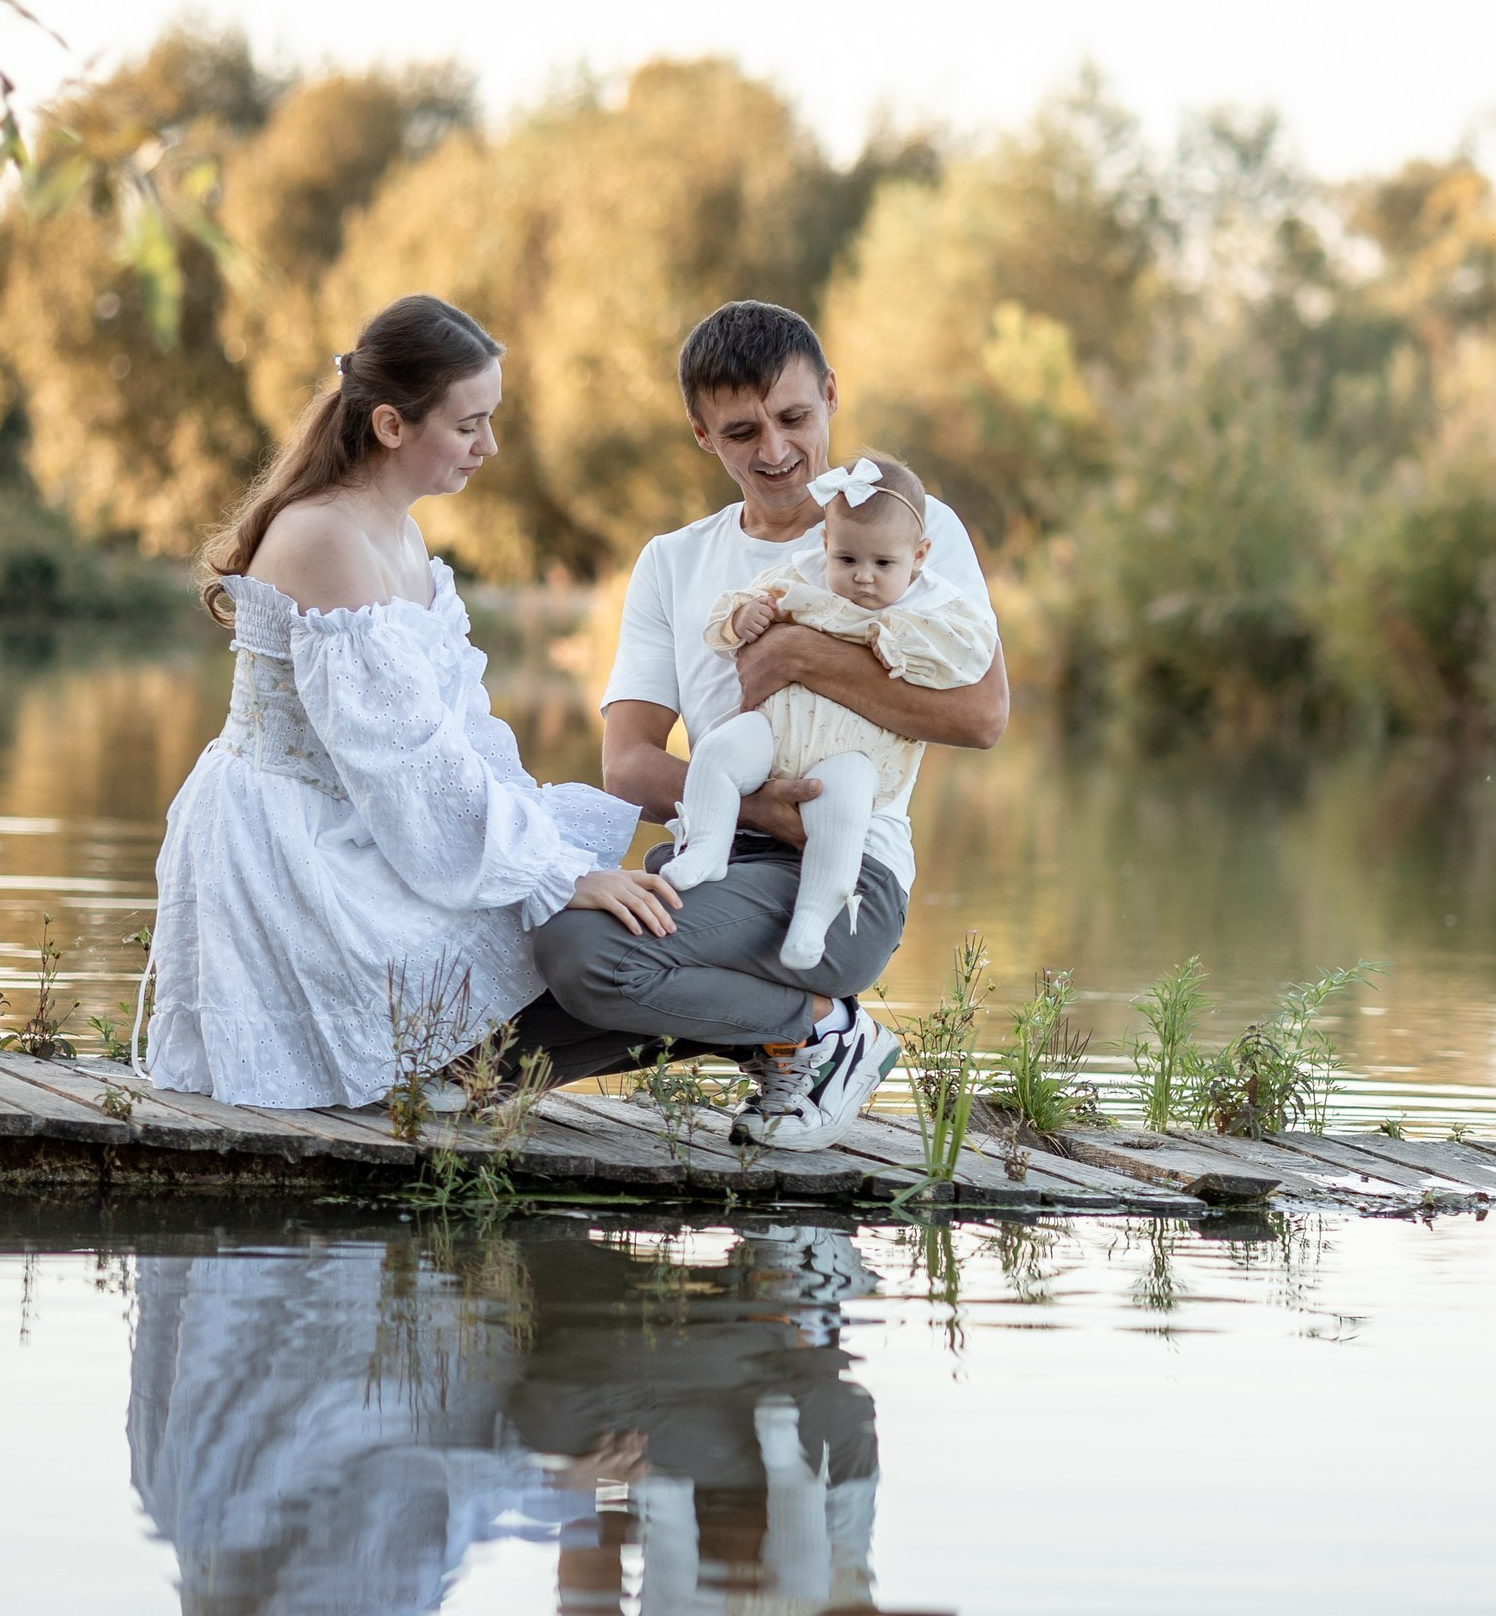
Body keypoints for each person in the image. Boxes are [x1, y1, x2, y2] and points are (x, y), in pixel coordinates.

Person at [142, 294, 674, 1111]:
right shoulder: (325, 539)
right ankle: (448, 1070)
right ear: (392, 426)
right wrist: (547, 875)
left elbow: (456, 735)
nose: (488, 446)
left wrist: (547, 847)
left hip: (371, 815)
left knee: (566, 894)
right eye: (469, 426)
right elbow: (405, 767)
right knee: (538, 918)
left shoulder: (400, 532)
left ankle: (766, 1022)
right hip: (297, 841)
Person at [513, 301, 1009, 1151]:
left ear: (830, 396)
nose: (775, 452)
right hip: (719, 851)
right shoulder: (674, 561)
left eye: (793, 418)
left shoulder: (900, 529)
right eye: (741, 431)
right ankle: (795, 1033)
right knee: (474, 1049)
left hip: (846, 868)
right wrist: (758, 807)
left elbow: (982, 715)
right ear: (702, 434)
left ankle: (824, 1034)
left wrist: (799, 659)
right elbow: (629, 764)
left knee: (585, 950)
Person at [665, 454, 996, 972]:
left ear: (919, 556)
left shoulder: (933, 606)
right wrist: (741, 616)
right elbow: (727, 617)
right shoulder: (802, 577)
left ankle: (814, 920)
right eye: (847, 560)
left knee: (841, 815)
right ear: (825, 546)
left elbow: (970, 655)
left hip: (850, 753)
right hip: (777, 733)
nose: (863, 579)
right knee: (716, 751)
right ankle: (707, 847)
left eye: (883, 565)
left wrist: (902, 645)